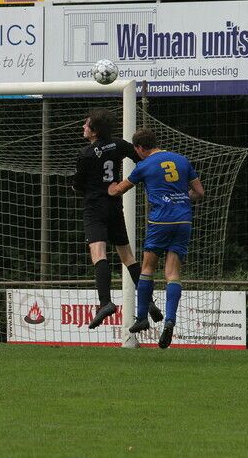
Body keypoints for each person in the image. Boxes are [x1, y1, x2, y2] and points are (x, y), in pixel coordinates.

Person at [108, 129, 204, 349]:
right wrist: (181, 199)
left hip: (161, 221)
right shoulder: (181, 159)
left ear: (140, 148)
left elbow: (119, 190)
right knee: (173, 273)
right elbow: (199, 192)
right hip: (183, 220)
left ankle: (142, 317)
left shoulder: (144, 166)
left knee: (147, 268)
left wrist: (110, 188)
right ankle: (170, 319)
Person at [72, 110, 163, 329]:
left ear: (94, 131)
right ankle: (149, 301)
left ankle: (105, 302)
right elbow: (140, 158)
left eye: (86, 125)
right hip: (114, 205)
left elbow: (78, 185)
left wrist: (89, 190)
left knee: (99, 254)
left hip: (95, 207)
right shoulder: (118, 144)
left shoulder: (85, 154)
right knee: (128, 257)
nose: (83, 127)